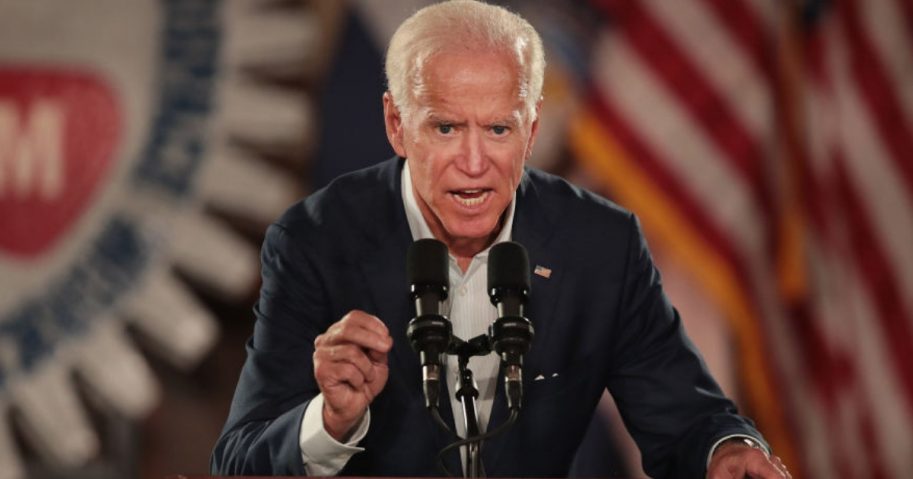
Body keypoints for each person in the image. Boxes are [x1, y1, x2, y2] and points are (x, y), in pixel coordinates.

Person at [211, 1, 790, 477]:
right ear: (397, 126)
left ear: (531, 130)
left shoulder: (602, 243)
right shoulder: (317, 242)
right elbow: (242, 458)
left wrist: (724, 449)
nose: (472, 162)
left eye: (497, 129)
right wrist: (327, 424)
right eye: (445, 127)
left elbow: (685, 412)